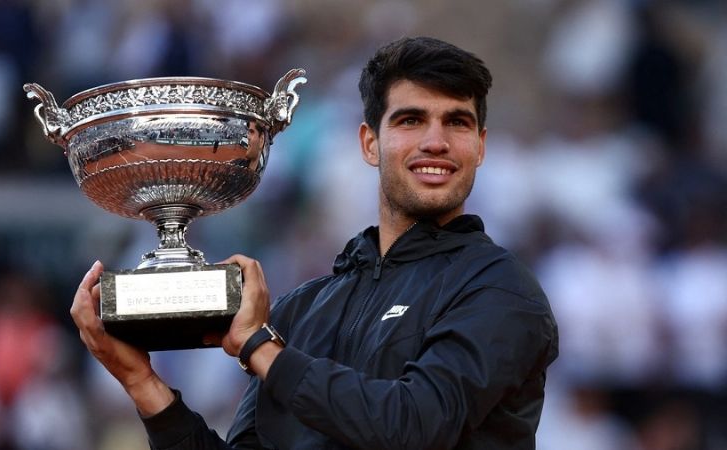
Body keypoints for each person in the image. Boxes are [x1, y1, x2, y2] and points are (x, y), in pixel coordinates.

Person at [71, 36, 559, 449]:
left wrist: (259, 347)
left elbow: (413, 427)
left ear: (480, 146)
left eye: (457, 122)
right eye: (411, 120)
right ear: (370, 143)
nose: (436, 142)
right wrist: (143, 384)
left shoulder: (499, 290)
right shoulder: (303, 310)